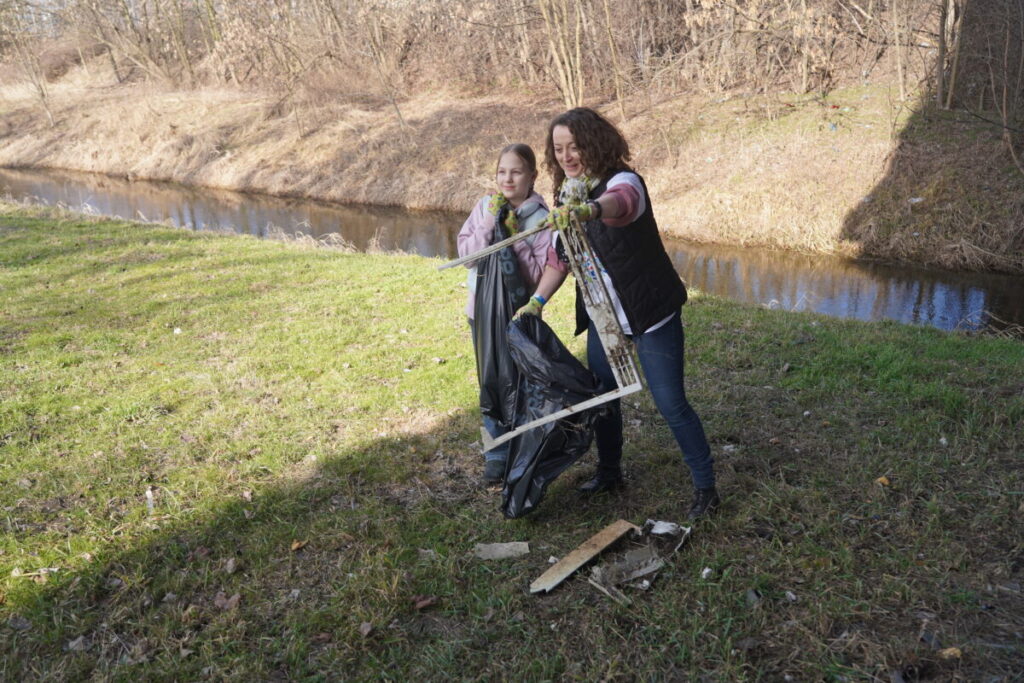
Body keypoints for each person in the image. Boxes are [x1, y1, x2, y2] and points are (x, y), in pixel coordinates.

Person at [520, 108, 720, 519]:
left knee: (671, 403)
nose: (567, 156)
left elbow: (620, 205)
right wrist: (536, 303)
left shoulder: (623, 182)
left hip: (650, 313)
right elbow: (561, 260)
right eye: (559, 150)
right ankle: (609, 473)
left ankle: (706, 488)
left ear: (596, 143)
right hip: (604, 317)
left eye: (575, 146)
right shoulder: (565, 196)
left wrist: (588, 211)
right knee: (605, 398)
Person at [457, 143, 551, 485]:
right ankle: (496, 453)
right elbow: (467, 256)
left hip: (517, 315)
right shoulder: (485, 206)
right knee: (490, 381)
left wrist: (515, 239)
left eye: (516, 171)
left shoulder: (541, 218)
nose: (507, 179)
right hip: (480, 312)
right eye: (502, 172)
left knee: (521, 381)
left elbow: (543, 273)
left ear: (532, 176)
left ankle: (522, 445)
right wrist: (489, 223)